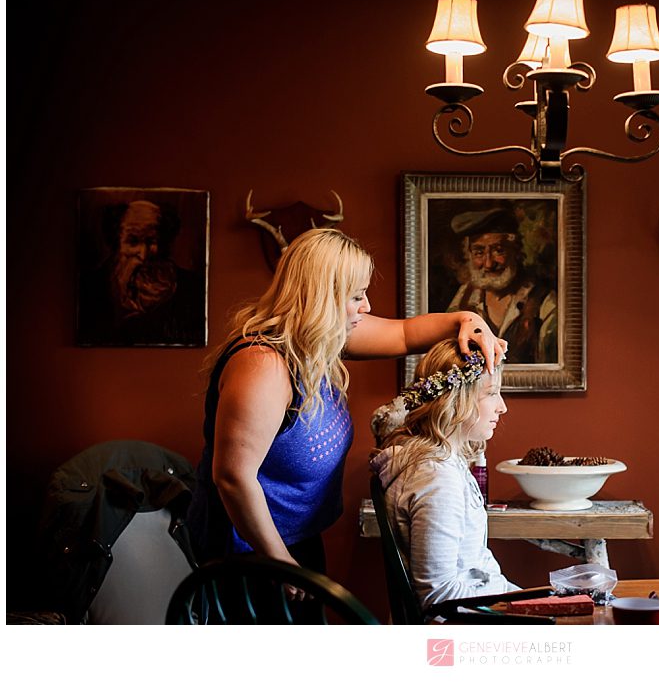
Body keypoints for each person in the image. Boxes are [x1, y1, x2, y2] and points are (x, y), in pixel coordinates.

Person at [185, 227, 506, 586]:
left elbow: (404, 334)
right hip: (247, 557)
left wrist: (470, 322)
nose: (366, 307)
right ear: (322, 298)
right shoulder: (263, 366)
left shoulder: (317, 341)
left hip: (294, 543)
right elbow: (233, 478)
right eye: (356, 297)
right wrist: (280, 562)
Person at [369, 338, 519, 610]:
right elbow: (439, 594)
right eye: (491, 393)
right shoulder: (437, 478)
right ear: (457, 399)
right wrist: (517, 603)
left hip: (482, 608)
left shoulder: (446, 464)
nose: (502, 407)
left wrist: (534, 598)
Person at [77, 199, 202, 345]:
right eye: (133, 241)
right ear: (116, 242)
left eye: (151, 241)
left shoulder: (190, 286)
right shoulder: (91, 286)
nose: (143, 255)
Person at [446, 207, 557, 364]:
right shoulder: (464, 297)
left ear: (516, 251)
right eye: (479, 252)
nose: (489, 263)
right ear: (469, 254)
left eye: (499, 251)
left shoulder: (544, 302)